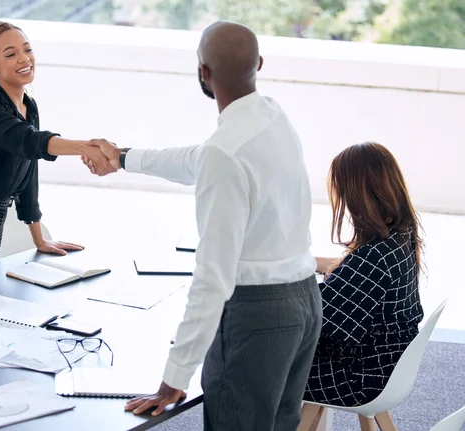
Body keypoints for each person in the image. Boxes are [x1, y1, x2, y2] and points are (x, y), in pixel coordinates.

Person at [83, 20, 322, 431]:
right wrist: (124, 157)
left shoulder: (224, 153)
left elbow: (213, 277)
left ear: (203, 72)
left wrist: (175, 376)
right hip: (303, 302)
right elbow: (199, 158)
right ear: (259, 64)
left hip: (257, 316)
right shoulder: (273, 117)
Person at [0, 21, 115, 277]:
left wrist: (39, 240)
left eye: (27, 50)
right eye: (10, 54)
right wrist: (87, 147)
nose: (24, 59)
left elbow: (29, 174)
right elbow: (29, 141)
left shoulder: (29, 106)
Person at [301, 142, 424, 410]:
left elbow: (313, 319)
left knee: (261, 361)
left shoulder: (374, 258)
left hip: (358, 379)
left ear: (357, 195)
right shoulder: (400, 237)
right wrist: (302, 263)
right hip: (387, 367)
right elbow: (349, 269)